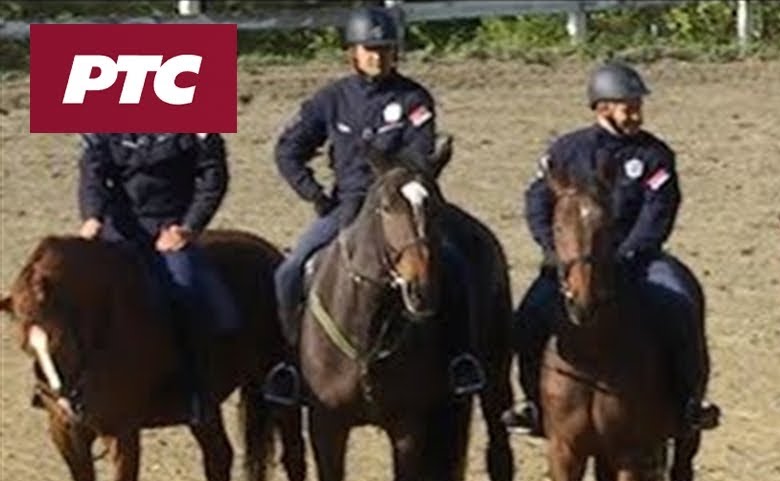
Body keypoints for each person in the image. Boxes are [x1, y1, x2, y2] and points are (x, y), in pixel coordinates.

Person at [264, 5, 483, 404]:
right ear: (353, 52)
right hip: (348, 209)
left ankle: (460, 359)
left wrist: (397, 184)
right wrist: (314, 193)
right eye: (370, 49)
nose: (377, 56)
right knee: (290, 270)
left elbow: (419, 156)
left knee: (454, 267)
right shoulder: (331, 100)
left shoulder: (415, 98)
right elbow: (288, 150)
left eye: (385, 49)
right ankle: (290, 366)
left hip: (405, 208)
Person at [500, 62, 720, 438]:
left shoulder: (654, 155)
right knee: (529, 316)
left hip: (637, 260)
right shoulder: (565, 151)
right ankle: (532, 404)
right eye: (627, 106)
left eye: (637, 106)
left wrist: (628, 253)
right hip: (572, 261)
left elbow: (659, 209)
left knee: (681, 303)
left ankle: (688, 403)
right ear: (602, 108)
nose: (636, 114)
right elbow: (537, 200)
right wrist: (553, 248)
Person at [76, 131, 237, 425]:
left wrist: (188, 227)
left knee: (187, 290)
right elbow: (93, 174)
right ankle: (70, 387)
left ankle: (196, 392)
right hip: (119, 230)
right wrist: (92, 217)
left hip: (171, 228)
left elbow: (213, 180)